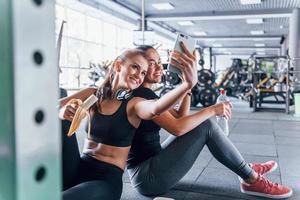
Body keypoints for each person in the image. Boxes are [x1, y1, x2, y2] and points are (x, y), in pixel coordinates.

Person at [127, 45, 293, 199]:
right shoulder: (140, 96)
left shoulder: (147, 95)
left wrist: (188, 87)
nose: (159, 68)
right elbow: (178, 129)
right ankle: (251, 179)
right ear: (139, 66)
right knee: (206, 125)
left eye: (158, 62)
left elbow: (180, 117)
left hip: (152, 163)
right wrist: (212, 110)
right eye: (151, 63)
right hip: (147, 178)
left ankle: (246, 170)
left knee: (201, 124)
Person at [59, 46, 198, 200]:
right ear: (118, 65)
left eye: (143, 72)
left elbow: (156, 108)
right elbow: (53, 106)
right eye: (135, 67)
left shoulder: (135, 104)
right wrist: (63, 111)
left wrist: (186, 86)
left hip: (104, 181)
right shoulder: (94, 93)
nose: (139, 75)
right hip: (77, 168)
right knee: (60, 122)